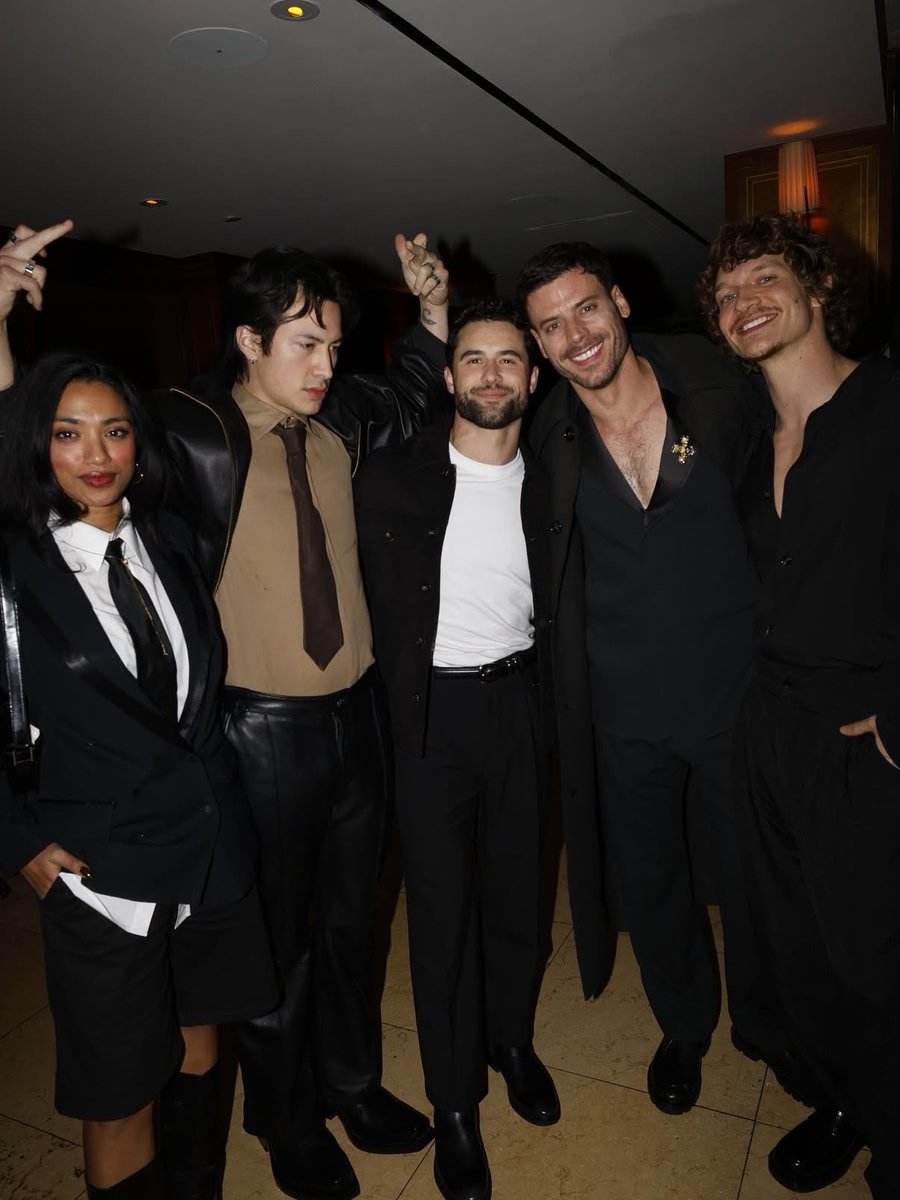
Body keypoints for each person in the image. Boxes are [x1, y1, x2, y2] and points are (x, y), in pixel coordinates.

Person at [0, 220, 451, 1200]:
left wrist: (434, 309)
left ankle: (350, 1083)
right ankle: (286, 1122)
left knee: (352, 924)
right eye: (306, 344)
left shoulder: (341, 420)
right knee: (275, 943)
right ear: (249, 340)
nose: (327, 364)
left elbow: (416, 386)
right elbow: (47, 446)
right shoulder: (186, 429)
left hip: (357, 719)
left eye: (336, 345)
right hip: (260, 729)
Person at [0, 346, 278, 1200]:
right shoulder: (15, 572)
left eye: (114, 431)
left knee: (200, 1043)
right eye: (68, 434)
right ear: (37, 444)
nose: (96, 455)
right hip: (101, 870)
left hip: (207, 848)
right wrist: (20, 843)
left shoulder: (168, 539)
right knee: (119, 1094)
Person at [516, 242, 783, 1115]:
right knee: (651, 877)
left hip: (735, 693)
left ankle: (768, 1019)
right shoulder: (548, 438)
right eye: (551, 326)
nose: (575, 335)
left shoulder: (716, 381)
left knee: (754, 871)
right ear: (538, 344)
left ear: (621, 302)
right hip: (620, 709)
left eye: (586, 308)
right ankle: (684, 1024)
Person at [698, 214, 900, 1199]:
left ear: (818, 288)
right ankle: (844, 1100)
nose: (744, 303)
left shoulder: (890, 406)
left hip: (865, 732)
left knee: (878, 954)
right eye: (727, 295)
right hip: (770, 728)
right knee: (798, 946)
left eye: (765, 279)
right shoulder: (752, 438)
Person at [355, 298, 559, 1200]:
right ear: (448, 375)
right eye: (473, 358)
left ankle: (510, 1041)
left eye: (508, 360)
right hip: (429, 715)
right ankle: (455, 1104)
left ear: (533, 377)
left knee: (520, 894)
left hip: (522, 702)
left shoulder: (554, 477)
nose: (490, 375)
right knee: (441, 918)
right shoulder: (391, 476)